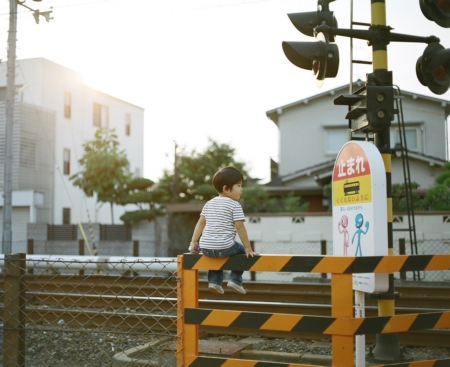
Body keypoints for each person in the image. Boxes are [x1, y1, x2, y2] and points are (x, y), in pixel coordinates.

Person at [188, 166, 258, 295]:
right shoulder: (234, 205)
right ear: (226, 189)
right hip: (224, 246)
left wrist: (193, 242)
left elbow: (201, 223)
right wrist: (248, 248)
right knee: (241, 251)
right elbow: (240, 227)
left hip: (206, 247)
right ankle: (235, 280)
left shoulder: (209, 203)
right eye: (238, 186)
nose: (241, 189)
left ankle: (214, 282)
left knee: (216, 255)